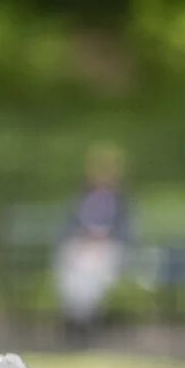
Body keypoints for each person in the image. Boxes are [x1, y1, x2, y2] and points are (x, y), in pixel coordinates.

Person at [54, 143, 132, 342]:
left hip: (107, 247)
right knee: (72, 268)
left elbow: (125, 232)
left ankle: (87, 321)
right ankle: (76, 317)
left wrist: (104, 239)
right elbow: (69, 227)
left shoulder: (121, 201)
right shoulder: (81, 197)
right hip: (81, 246)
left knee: (95, 269)